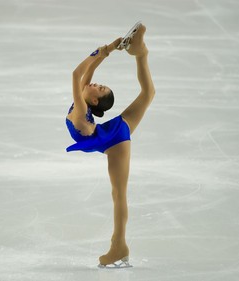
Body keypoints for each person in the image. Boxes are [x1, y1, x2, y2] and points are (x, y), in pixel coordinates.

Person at [65, 23, 156, 267]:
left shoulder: (82, 108)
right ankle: (141, 53)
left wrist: (102, 51)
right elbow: (86, 76)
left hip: (114, 141)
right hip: (110, 134)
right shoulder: (84, 102)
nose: (96, 83)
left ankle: (119, 245)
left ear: (94, 100)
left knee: (119, 194)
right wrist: (105, 52)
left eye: (99, 87)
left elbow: (76, 75)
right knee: (147, 94)